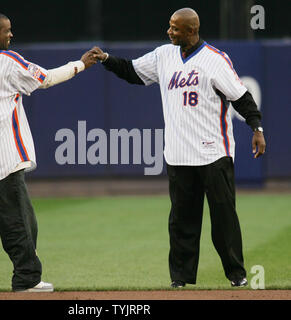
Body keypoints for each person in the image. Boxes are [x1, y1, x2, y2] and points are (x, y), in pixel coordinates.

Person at [91, 8, 266, 288]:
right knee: (182, 221)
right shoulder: (164, 55)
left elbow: (241, 97)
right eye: (170, 27)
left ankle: (237, 274)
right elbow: (133, 72)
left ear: (192, 30)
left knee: (223, 219)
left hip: (214, 152)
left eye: (175, 28)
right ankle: (180, 278)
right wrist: (108, 60)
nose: (169, 31)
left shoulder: (215, 60)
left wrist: (256, 128)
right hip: (178, 153)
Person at [0, 13, 97, 292]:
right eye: (6, 31)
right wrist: (81, 64)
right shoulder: (7, 61)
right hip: (0, 156)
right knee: (18, 223)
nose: (10, 35)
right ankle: (26, 279)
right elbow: (46, 79)